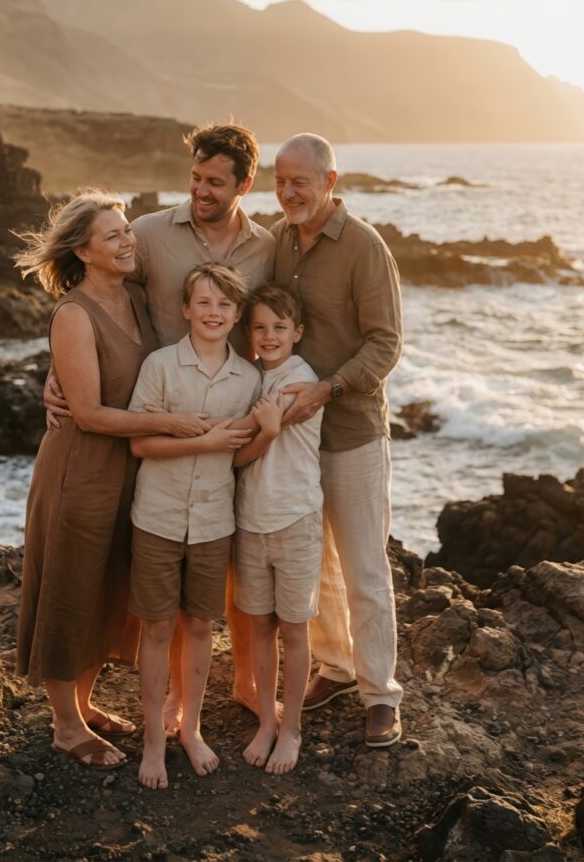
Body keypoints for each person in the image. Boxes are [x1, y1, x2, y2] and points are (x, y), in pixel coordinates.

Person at [44, 123, 275, 727]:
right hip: (148, 431)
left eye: (214, 181)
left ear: (244, 184)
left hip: (210, 419)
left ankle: (203, 694)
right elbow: (80, 301)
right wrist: (57, 374)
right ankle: (79, 719)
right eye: (194, 177)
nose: (200, 189)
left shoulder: (268, 247)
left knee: (130, 580)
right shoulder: (148, 234)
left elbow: (286, 317)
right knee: (89, 581)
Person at [13, 191, 214, 770]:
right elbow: (91, 412)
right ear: (83, 251)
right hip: (81, 469)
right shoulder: (73, 313)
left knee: (107, 589)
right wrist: (170, 422)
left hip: (128, 470)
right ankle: (64, 724)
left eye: (128, 231)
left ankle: (85, 701)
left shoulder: (132, 296)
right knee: (70, 589)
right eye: (114, 236)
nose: (129, 241)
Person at [272, 133, 404, 749]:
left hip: (350, 430)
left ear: (330, 180)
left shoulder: (363, 246)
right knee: (313, 564)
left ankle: (381, 695)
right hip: (296, 438)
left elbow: (385, 342)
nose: (289, 191)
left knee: (363, 568)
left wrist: (328, 389)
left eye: (301, 180)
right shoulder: (277, 241)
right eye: (280, 180)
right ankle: (335, 667)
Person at [127, 264, 260, 790]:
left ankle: (192, 730)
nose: (213, 313)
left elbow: (244, 454)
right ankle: (153, 741)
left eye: (224, 305)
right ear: (185, 309)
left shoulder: (249, 378)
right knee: (158, 628)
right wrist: (202, 442)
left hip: (212, 521)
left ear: (237, 315)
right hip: (156, 516)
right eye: (203, 303)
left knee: (201, 626)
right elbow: (140, 444)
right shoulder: (160, 366)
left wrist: (265, 431)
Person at [232, 283, 324, 774]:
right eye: (260, 327)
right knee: (259, 627)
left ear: (298, 333)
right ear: (249, 332)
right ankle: (267, 720)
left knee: (293, 629)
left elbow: (247, 439)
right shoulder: (250, 380)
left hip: (294, 519)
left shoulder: (298, 381)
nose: (269, 336)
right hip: (250, 520)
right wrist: (261, 429)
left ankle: (291, 729)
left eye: (279, 328)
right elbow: (242, 455)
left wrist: (262, 428)